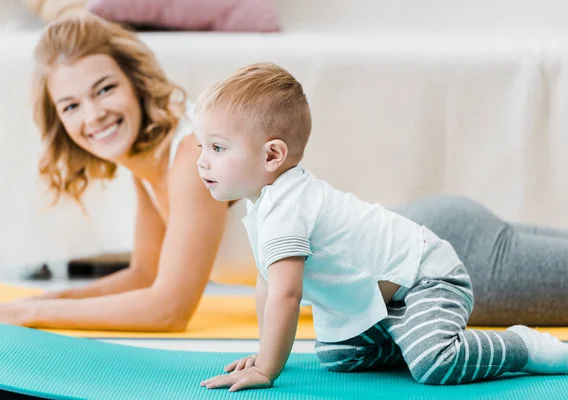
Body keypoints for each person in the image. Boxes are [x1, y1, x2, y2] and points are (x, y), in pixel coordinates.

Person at [0, 13, 567, 330]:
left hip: (432, 263)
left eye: (103, 89)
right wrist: (43, 299)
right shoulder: (149, 165)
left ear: (134, 83)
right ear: (57, 119)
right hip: (428, 242)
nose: (92, 114)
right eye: (71, 105)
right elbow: (148, 273)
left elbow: (168, 308)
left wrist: (23, 313)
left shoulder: (187, 159)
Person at [195, 62, 568, 392]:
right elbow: (267, 283)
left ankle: (523, 347)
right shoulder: (265, 203)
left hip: (428, 275)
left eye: (217, 148)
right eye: (201, 147)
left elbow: (287, 296)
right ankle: (408, 335)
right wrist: (264, 349)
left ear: (272, 155)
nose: (201, 162)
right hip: (385, 300)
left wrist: (267, 367)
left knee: (435, 363)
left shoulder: (286, 208)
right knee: (338, 356)